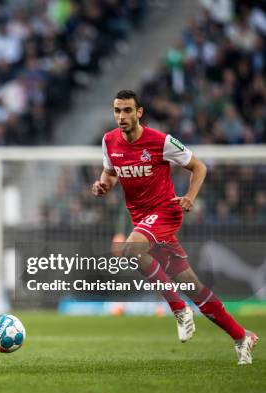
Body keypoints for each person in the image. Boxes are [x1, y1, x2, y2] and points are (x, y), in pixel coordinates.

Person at [92, 89, 258, 364]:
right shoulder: (109, 141)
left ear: (139, 112)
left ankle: (179, 309)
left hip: (166, 212)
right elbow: (109, 173)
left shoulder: (160, 141)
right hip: (142, 220)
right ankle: (242, 337)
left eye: (127, 111)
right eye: (117, 111)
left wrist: (190, 198)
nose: (121, 116)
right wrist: (103, 185)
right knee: (194, 287)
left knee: (131, 249)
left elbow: (199, 167)